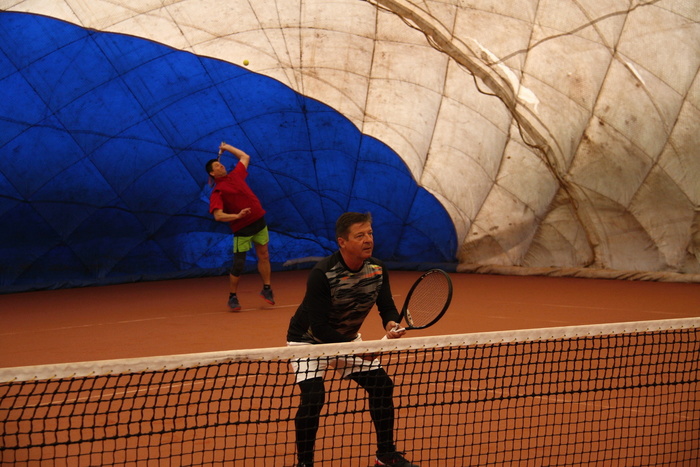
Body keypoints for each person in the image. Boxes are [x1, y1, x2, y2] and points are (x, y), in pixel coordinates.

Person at [286, 212, 418, 467]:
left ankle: (385, 455)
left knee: (382, 385)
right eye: (360, 235)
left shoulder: (377, 269)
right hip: (307, 341)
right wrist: (357, 352)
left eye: (370, 233)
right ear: (342, 242)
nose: (368, 239)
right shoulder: (322, 274)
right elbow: (320, 328)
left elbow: (387, 306)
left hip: (346, 339)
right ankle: (304, 463)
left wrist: (391, 323)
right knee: (313, 398)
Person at [206, 141, 274, 311]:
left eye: (220, 163)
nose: (221, 165)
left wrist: (226, 147)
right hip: (242, 229)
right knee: (239, 264)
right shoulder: (218, 191)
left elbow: (245, 157)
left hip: (259, 222)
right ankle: (232, 297)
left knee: (264, 255)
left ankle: (267, 288)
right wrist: (236, 216)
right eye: (217, 166)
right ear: (212, 173)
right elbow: (218, 215)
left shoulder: (236, 175)